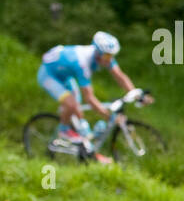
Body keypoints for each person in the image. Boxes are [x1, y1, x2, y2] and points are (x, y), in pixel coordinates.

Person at [37, 31, 151, 163]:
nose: (110, 59)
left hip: (65, 76)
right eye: (108, 56)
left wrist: (136, 94)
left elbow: (120, 76)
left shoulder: (103, 56)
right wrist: (109, 116)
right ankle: (64, 131)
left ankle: (89, 151)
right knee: (72, 104)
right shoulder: (82, 62)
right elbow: (90, 98)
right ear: (98, 52)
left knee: (79, 113)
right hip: (49, 75)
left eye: (112, 56)